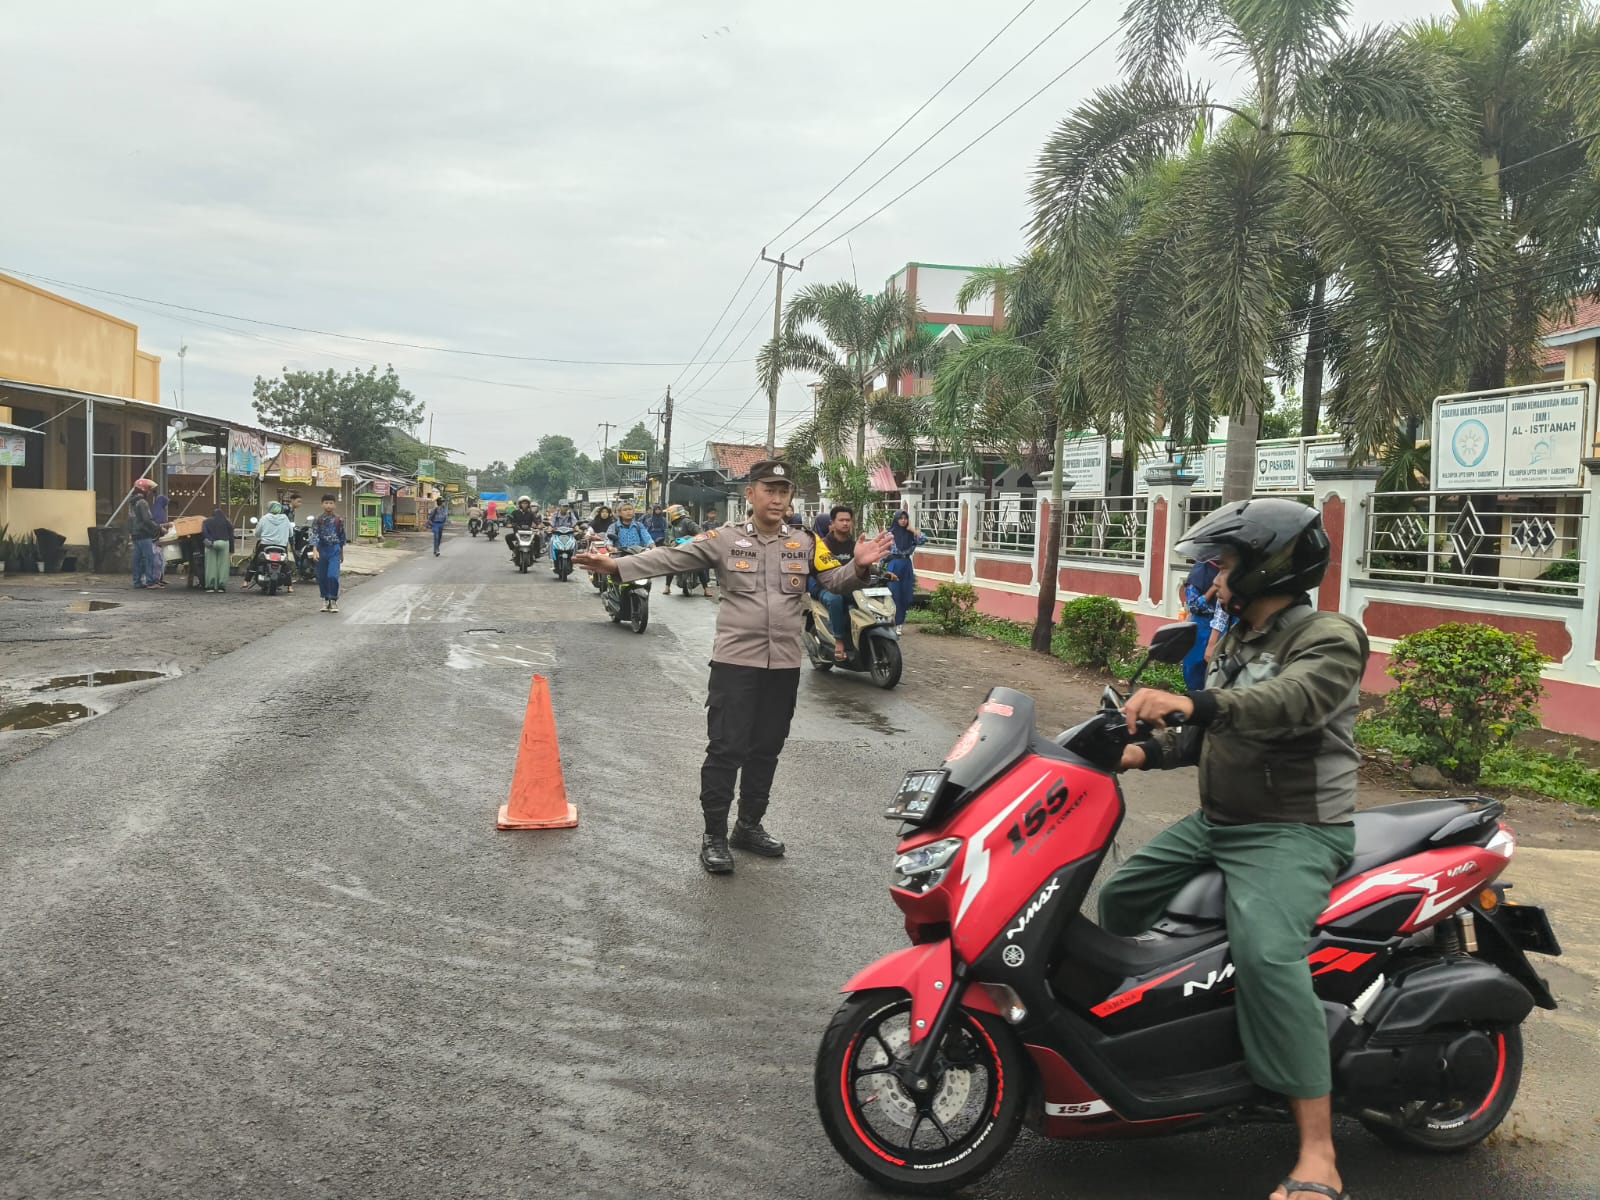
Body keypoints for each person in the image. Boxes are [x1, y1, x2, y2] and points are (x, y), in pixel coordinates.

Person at [1098, 497, 1367, 1200]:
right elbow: (1206, 732)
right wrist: (1138, 753)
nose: (1213, 580)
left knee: (1268, 956)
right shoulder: (1238, 639)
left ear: (1269, 566)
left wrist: (1193, 703)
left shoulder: (1329, 638)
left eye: (1223, 567)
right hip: (1220, 820)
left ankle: (1318, 1156)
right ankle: (1168, 1036)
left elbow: (1290, 703)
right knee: (1123, 897)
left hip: (1294, 829)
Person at [576, 460, 894, 874]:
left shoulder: (804, 541)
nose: (777, 498)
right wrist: (618, 567)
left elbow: (834, 581)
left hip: (783, 665)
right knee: (726, 750)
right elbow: (673, 557)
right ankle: (714, 835)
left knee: (767, 748)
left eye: (783, 491)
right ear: (751, 494)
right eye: (769, 490)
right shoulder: (724, 539)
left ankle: (748, 826)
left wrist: (860, 565)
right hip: (735, 664)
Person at [812, 505, 858, 660]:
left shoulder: (854, 545)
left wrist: (883, 573)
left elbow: (863, 563)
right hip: (826, 587)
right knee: (836, 599)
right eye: (841, 520)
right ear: (832, 523)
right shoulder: (823, 546)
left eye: (848, 520)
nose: (845, 523)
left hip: (847, 586)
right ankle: (839, 641)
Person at [1180, 556, 1223, 692]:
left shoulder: (1229, 570)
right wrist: (1213, 589)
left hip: (1223, 628)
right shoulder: (1200, 570)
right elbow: (1193, 605)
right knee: (1195, 671)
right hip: (1201, 628)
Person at [885, 511, 926, 634]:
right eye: (900, 518)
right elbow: (884, 551)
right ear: (896, 520)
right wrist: (880, 567)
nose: (903, 520)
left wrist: (912, 530)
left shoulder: (911, 535)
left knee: (905, 595)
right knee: (894, 593)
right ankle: (891, 621)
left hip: (906, 565)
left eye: (905, 518)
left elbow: (924, 539)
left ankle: (899, 624)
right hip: (894, 564)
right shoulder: (890, 534)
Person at [309, 494, 349, 613]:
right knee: (322, 577)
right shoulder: (318, 520)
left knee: (332, 575)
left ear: (334, 505)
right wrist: (315, 550)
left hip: (334, 550)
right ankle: (326, 599)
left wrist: (341, 553)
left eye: (331, 503)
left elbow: (342, 537)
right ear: (322, 505)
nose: (328, 505)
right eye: (326, 503)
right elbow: (314, 535)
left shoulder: (338, 520)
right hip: (321, 550)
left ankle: (333, 600)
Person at [244, 501, 296, 590]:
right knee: (285, 564)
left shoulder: (264, 518)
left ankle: (246, 581)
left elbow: (257, 533)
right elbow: (291, 534)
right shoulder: (285, 518)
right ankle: (289, 586)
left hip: (265, 545)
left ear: (269, 508)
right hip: (281, 546)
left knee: (255, 561)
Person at [127, 478, 163, 589]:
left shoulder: (132, 502)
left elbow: (130, 520)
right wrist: (159, 528)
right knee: (149, 558)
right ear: (144, 490)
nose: (150, 492)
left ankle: (137, 582)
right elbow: (147, 520)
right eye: (149, 490)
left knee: (137, 559)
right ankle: (150, 581)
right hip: (144, 534)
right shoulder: (142, 502)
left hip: (135, 534)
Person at [661, 504, 701, 596]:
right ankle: (667, 587)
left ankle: (706, 588)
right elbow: (671, 535)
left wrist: (687, 538)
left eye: (671, 513)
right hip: (678, 548)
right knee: (670, 564)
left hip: (691, 547)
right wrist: (671, 541)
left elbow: (700, 532)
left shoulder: (687, 522)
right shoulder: (674, 524)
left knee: (701, 564)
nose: (670, 516)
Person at [201, 505, 235, 594]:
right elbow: (231, 536)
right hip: (224, 543)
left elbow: (204, 533)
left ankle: (211, 586)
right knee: (223, 566)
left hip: (211, 544)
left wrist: (210, 540)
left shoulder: (206, 521)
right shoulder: (227, 522)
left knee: (210, 566)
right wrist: (232, 549)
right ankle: (221, 587)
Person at [699, 507, 723, 596]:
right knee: (706, 564)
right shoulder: (704, 524)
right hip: (708, 545)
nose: (713, 515)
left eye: (714, 513)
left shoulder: (717, 524)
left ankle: (718, 581)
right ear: (707, 514)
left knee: (717, 563)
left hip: (716, 545)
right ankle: (706, 580)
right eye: (711, 513)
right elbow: (702, 534)